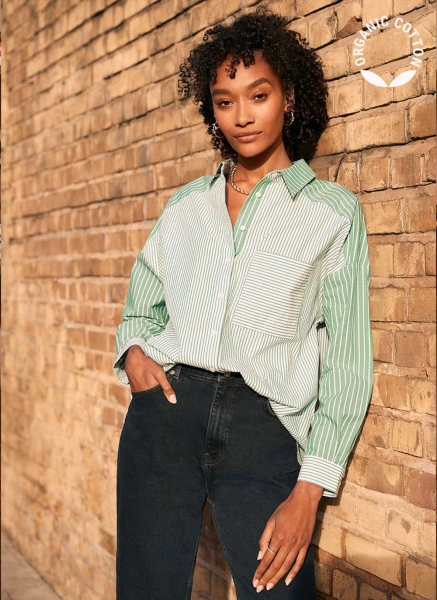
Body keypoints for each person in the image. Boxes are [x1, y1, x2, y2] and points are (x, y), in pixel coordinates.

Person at [113, 5, 374, 599]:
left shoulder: (332, 213)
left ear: (288, 98)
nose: (241, 116)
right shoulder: (185, 206)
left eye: (258, 94)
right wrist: (133, 353)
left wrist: (311, 489)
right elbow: (141, 305)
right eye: (224, 101)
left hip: (265, 427)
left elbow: (349, 362)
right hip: (166, 418)